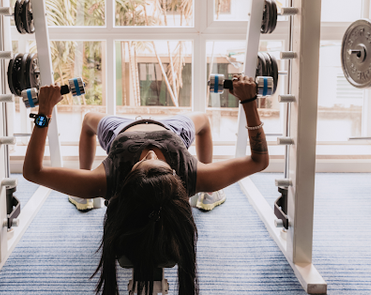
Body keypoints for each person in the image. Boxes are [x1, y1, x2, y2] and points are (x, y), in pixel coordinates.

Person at [23, 75, 269, 295]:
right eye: (160, 163)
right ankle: (210, 194)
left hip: (121, 130)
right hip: (173, 131)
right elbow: (259, 161)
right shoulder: (193, 174)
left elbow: (33, 171)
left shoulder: (106, 179)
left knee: (88, 120)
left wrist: (45, 110)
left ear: (127, 181)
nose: (151, 154)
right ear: (175, 175)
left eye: (143, 163)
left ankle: (82, 197)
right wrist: (248, 103)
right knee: (203, 121)